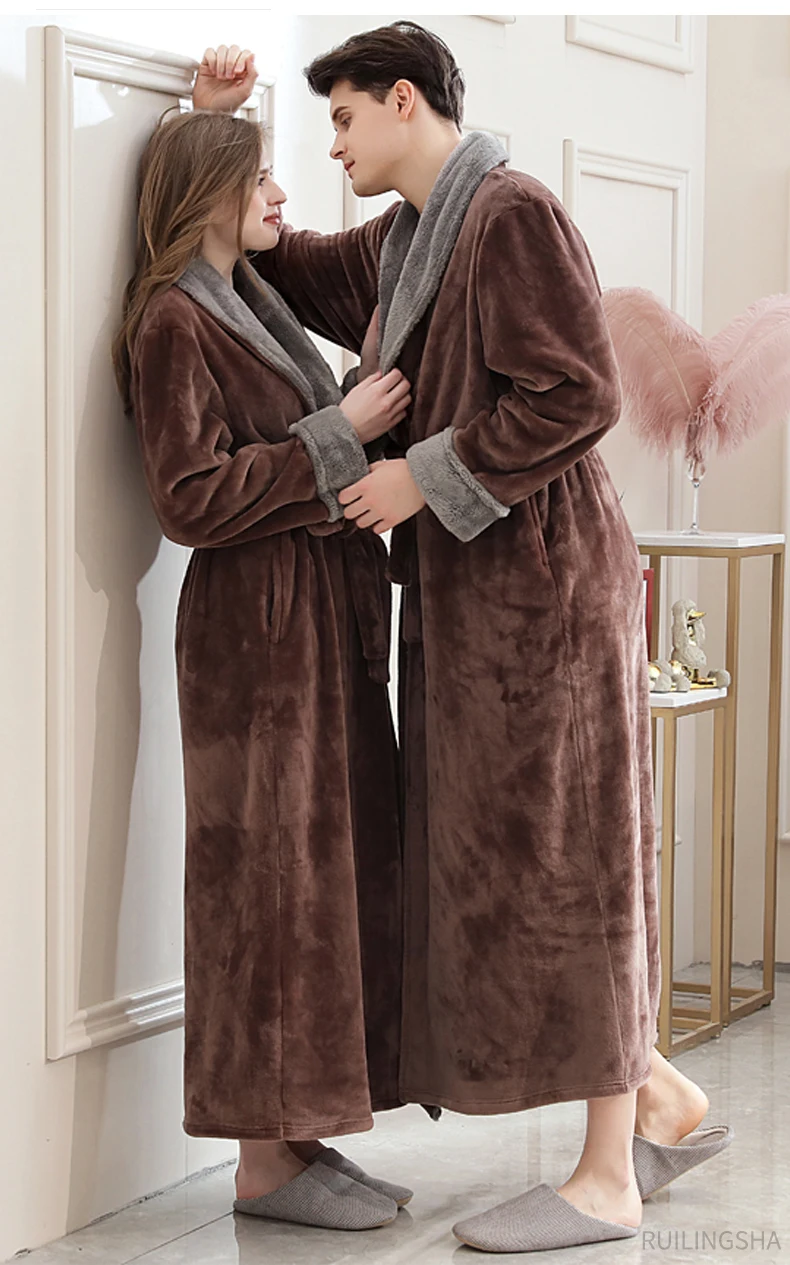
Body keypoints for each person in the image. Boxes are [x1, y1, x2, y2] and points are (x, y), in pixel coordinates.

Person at [195, 27, 735, 1254]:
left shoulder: (511, 214)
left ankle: (607, 1174)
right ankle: (656, 1093)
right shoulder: (406, 239)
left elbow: (579, 392)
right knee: (518, 864)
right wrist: (216, 127)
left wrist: (418, 476)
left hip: (546, 589)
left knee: (574, 859)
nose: (333, 146)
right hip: (473, 596)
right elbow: (280, 266)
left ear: (403, 100)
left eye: (342, 118)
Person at [112, 106, 416, 1232]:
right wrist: (341, 430)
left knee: (318, 880)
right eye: (261, 181)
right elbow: (189, 497)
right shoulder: (169, 320)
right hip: (255, 636)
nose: (282, 198)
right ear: (209, 196)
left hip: (312, 619)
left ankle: (299, 1135)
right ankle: (259, 1159)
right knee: (263, 886)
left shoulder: (240, 297)